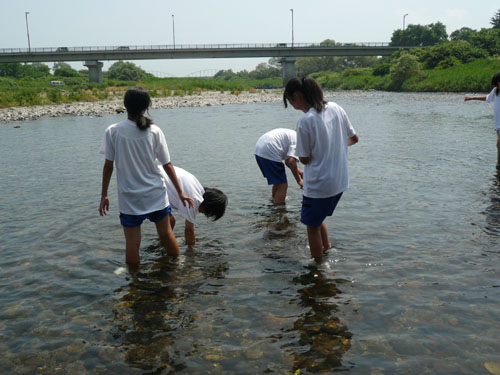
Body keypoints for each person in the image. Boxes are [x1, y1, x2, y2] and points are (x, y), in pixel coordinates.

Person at [99, 87, 194, 265]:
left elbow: (108, 166)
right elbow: (167, 165)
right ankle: (176, 272)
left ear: (125, 105)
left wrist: (104, 194)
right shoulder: (155, 131)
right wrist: (180, 192)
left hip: (130, 198)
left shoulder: (113, 131)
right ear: (146, 107)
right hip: (155, 194)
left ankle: (134, 286)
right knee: (166, 235)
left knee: (132, 243)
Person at [283, 77, 359, 261]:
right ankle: (327, 249)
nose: (292, 105)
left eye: (290, 101)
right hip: (339, 182)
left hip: (319, 185)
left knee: (311, 227)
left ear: (297, 96)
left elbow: (305, 158)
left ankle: (318, 269)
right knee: (317, 219)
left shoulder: (305, 121)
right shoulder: (336, 108)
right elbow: (354, 138)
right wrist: (334, 148)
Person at [160, 165, 228, 245]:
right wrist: (191, 249)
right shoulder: (194, 200)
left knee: (170, 221)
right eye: (207, 213)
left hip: (155, 175)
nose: (202, 213)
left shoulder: (196, 186)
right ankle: (165, 245)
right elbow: (189, 230)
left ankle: (162, 243)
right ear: (209, 207)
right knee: (168, 222)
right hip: (153, 185)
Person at [254, 128, 303, 205]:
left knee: (278, 182)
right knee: (283, 185)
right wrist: (299, 181)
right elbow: (291, 162)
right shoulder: (298, 140)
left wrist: (299, 172)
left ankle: (274, 203)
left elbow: (288, 161)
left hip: (259, 151)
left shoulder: (291, 135)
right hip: (269, 151)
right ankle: (279, 211)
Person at [464, 73, 500, 164]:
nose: (498, 84)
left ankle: (498, 164)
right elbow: (487, 98)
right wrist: (472, 98)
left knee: (499, 144)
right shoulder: (496, 91)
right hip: (498, 124)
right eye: (498, 83)